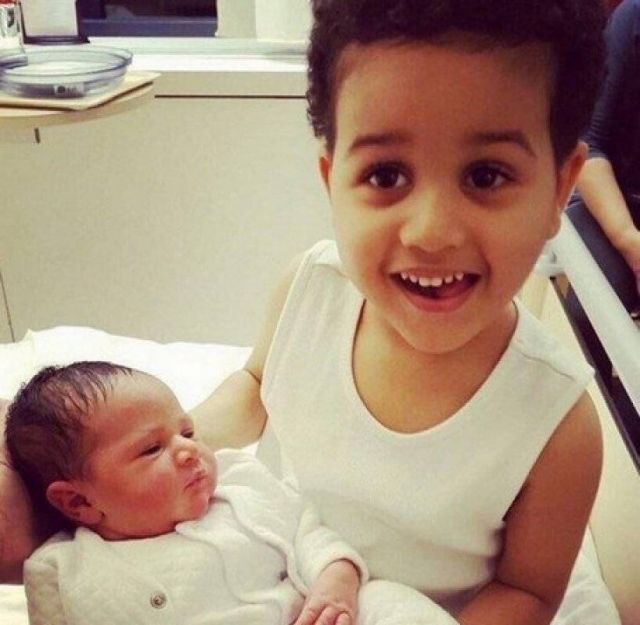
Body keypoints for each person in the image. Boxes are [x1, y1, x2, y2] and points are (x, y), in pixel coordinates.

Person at [189, 1, 615, 624]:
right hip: (274, 572)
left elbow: (528, 593)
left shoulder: (558, 425)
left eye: (486, 176)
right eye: (386, 175)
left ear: (559, 189)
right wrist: (177, 439)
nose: (431, 231)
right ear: (332, 180)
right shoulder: (310, 291)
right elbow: (256, 387)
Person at [5, 362, 456, 625]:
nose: (188, 450)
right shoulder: (62, 569)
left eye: (187, 431)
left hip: (308, 615)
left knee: (388, 602)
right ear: (79, 502)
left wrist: (337, 580)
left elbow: (310, 533)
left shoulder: (242, 484)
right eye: (152, 449)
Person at [566, 0, 640, 388]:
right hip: (613, 201)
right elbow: (589, 145)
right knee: (590, 311)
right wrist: (631, 244)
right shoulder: (632, 20)